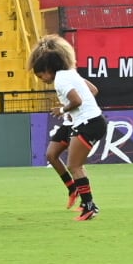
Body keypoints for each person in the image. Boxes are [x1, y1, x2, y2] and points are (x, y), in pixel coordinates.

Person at [29, 36, 105, 221]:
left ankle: (89, 206)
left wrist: (63, 109)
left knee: (74, 165)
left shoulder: (61, 80)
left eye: (41, 76)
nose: (41, 80)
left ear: (48, 70)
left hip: (89, 123)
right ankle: (81, 197)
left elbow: (77, 100)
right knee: (58, 157)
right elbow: (92, 91)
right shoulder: (69, 73)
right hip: (86, 121)